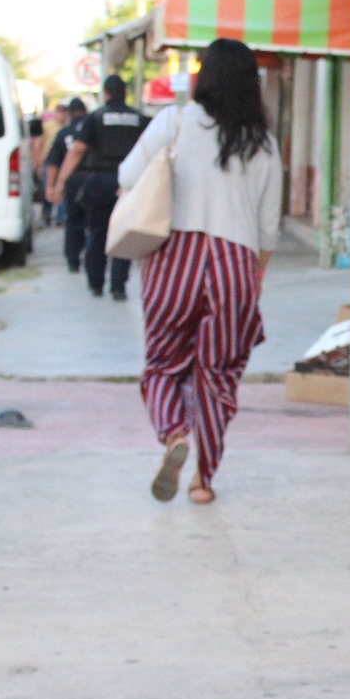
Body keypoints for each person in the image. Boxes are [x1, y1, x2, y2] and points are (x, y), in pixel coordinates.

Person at [117, 38, 280, 505]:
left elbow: (128, 178)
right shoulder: (264, 144)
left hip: (175, 258)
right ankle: (202, 480)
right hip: (236, 264)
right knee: (219, 374)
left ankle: (174, 434)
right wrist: (253, 282)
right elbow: (268, 230)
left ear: (203, 76)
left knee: (164, 364)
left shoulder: (173, 122)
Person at [52, 76, 148, 299]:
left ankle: (96, 282)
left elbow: (77, 151)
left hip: (99, 181)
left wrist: (61, 181)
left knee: (97, 232)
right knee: (124, 234)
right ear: (125, 93)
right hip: (129, 182)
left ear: (105, 94)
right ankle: (118, 286)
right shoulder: (139, 118)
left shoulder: (96, 118)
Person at [43, 97, 87, 270]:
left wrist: (51, 186)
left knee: (73, 221)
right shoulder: (93, 130)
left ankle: (73, 259)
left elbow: (53, 163)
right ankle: (94, 256)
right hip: (91, 178)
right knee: (95, 222)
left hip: (71, 181)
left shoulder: (64, 133)